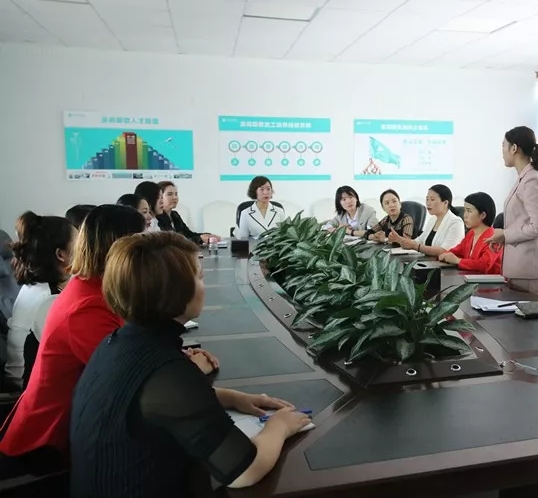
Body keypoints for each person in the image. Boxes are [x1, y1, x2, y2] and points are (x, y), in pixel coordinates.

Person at [70, 232, 311, 497]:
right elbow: (244, 471)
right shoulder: (167, 371)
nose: (204, 285)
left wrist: (231, 397)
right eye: (199, 277)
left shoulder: (118, 342)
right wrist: (279, 426)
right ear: (174, 291)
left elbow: (147, 404)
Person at [0, 205, 218, 469]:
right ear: (121, 248)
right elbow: (136, 382)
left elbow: (134, 357)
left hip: (84, 425)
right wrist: (191, 369)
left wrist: (178, 361)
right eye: (142, 239)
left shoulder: (96, 288)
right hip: (47, 446)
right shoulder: (86, 308)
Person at [6, 212, 76, 389]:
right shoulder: (50, 300)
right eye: (80, 244)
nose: (85, 249)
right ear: (61, 255)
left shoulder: (37, 286)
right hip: (29, 388)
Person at [486, 126, 538, 295]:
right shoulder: (524, 177)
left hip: (529, 268)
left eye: (503, 146)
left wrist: (505, 235)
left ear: (514, 148)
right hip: (519, 266)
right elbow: (521, 221)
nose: (502, 151)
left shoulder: (532, 180)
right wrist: (504, 239)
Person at [390, 185, 464, 256]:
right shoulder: (433, 219)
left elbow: (445, 251)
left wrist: (416, 246)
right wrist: (400, 240)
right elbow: (419, 241)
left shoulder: (456, 222)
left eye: (432, 199)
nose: (428, 203)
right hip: (428, 261)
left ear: (445, 203)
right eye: (427, 199)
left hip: (444, 264)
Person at [438, 192, 502, 274]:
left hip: (490, 281)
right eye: (465, 210)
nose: (465, 215)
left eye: (469, 211)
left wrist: (458, 260)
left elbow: (484, 265)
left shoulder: (494, 238)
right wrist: (446, 255)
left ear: (482, 215)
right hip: (471, 278)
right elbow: (456, 251)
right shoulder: (471, 233)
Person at [158, 181, 220, 245]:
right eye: (169, 194)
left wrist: (207, 236)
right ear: (159, 197)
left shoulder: (174, 215)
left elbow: (189, 234)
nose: (175, 197)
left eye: (176, 194)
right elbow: (174, 241)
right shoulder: (157, 218)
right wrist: (200, 238)